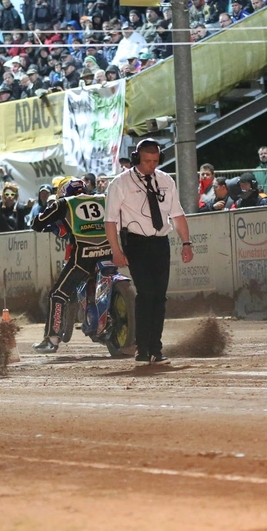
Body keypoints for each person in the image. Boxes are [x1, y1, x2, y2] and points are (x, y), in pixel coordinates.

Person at [104, 139, 192, 364]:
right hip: (135, 243)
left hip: (160, 242)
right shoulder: (120, 183)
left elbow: (177, 214)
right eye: (147, 161)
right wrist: (116, 250)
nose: (151, 165)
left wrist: (186, 243)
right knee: (146, 294)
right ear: (136, 158)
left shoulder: (165, 180)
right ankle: (142, 348)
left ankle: (156, 349)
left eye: (155, 161)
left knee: (159, 297)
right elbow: (111, 220)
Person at [30, 178, 112, 353]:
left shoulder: (64, 203)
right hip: (109, 252)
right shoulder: (103, 198)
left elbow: (37, 223)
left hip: (83, 257)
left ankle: (52, 339)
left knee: (57, 294)